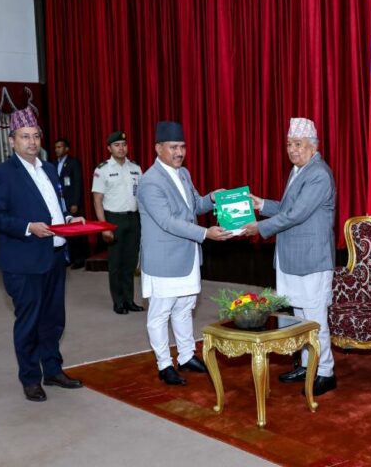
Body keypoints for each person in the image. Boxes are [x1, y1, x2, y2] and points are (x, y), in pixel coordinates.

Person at [0, 108, 86, 402]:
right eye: (25, 136)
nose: (32, 142)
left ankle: (52, 370)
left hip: (54, 257)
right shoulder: (2, 174)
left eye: (36, 136)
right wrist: (28, 227)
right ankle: (30, 379)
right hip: (24, 261)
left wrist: (68, 220)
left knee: (53, 320)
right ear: (11, 140)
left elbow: (56, 209)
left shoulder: (50, 169)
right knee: (29, 322)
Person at [242, 117, 337, 396]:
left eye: (298, 144)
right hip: (294, 258)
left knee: (315, 318)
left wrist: (260, 228)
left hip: (312, 259)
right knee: (300, 317)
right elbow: (287, 208)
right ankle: (307, 365)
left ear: (313, 146)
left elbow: (295, 215)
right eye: (288, 144)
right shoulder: (299, 170)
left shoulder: (318, 174)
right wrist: (260, 204)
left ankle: (326, 372)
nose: (292, 150)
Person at [137, 120, 232, 385]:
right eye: (173, 147)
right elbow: (167, 221)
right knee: (160, 313)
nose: (179, 152)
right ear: (158, 148)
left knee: (185, 307)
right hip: (164, 260)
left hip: (186, 256)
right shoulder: (150, 182)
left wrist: (211, 198)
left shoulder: (183, 173)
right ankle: (164, 364)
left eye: (182, 147)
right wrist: (205, 233)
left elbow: (194, 206)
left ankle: (186, 355)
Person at [92, 131, 145, 315]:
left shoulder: (135, 168)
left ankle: (129, 300)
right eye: (117, 145)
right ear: (109, 148)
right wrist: (104, 227)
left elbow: (142, 195)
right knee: (116, 263)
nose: (121, 148)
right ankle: (118, 302)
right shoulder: (102, 169)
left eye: (124, 144)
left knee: (130, 262)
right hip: (113, 219)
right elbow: (97, 200)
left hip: (133, 218)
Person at [53, 138, 88, 269]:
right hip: (59, 203)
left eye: (60, 147)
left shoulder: (73, 163)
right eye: (56, 147)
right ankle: (68, 258)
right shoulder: (52, 164)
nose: (57, 150)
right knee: (63, 230)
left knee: (75, 231)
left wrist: (75, 203)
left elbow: (78, 183)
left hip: (71, 202)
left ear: (66, 149)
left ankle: (79, 259)